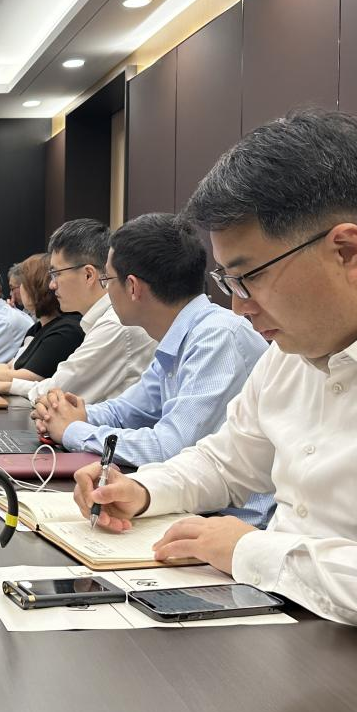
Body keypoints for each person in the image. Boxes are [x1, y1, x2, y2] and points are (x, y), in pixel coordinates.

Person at [74, 110, 357, 659]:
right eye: (227, 281)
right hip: (283, 639)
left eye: (249, 277)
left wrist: (254, 552)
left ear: (347, 251)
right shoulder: (295, 349)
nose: (238, 307)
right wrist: (143, 489)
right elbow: (226, 461)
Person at [35, 212, 272, 525]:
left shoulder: (218, 337)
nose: (105, 291)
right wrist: (73, 414)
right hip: (195, 504)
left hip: (234, 521)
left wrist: (72, 429)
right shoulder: (180, 335)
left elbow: (170, 447)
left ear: (133, 287)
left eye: (107, 281)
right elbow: (129, 410)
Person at [0, 219, 155, 402]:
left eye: (56, 274)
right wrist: (7, 385)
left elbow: (58, 390)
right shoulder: (99, 321)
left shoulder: (114, 325)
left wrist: (5, 385)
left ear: (88, 275)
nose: (52, 285)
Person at [0, 254, 83, 385]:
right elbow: (11, 366)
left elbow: (30, 376)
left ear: (37, 287)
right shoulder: (37, 328)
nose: (13, 293)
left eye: (21, 285)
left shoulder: (65, 329)